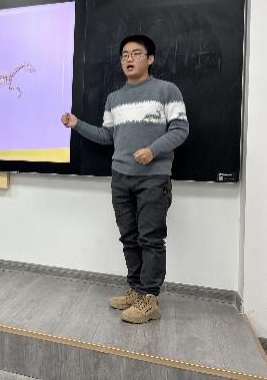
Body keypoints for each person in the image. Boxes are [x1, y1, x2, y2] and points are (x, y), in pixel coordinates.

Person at [61, 34, 189, 324]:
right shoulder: (114, 99)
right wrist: (77, 124)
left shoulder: (166, 90)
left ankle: (149, 299)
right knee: (129, 237)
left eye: (136, 53)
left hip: (153, 179)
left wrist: (153, 150)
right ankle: (136, 290)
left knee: (150, 239)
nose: (129, 59)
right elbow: (107, 136)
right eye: (125, 55)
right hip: (120, 178)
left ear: (150, 59)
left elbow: (181, 129)